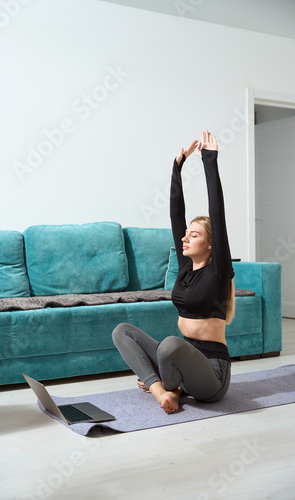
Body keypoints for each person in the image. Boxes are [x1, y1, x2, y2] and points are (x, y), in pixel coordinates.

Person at [112, 130, 235, 414]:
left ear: (211, 244)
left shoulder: (219, 271)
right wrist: (177, 168)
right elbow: (175, 214)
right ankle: (163, 391)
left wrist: (209, 161)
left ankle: (169, 386)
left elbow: (217, 213)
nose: (184, 239)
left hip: (212, 374)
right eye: (185, 235)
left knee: (169, 345)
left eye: (193, 236)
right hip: (178, 362)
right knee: (123, 332)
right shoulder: (185, 267)